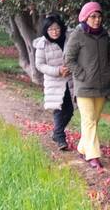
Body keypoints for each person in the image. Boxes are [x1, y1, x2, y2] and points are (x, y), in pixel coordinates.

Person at [64, 2, 110, 171]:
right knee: (89, 120)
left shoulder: (104, 35)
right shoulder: (78, 34)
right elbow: (68, 59)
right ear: (85, 17)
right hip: (84, 86)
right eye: (93, 16)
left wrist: (109, 72)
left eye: (99, 16)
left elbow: (109, 57)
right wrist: (81, 75)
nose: (97, 20)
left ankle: (82, 148)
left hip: (101, 85)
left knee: (94, 120)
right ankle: (93, 156)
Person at [33, 13, 73, 150]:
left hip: (70, 80)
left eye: (56, 28)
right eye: (51, 29)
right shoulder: (42, 44)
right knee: (58, 109)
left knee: (70, 109)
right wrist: (57, 71)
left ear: (61, 28)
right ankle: (60, 138)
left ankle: (56, 133)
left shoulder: (69, 38)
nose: (54, 32)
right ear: (46, 30)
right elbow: (40, 65)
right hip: (54, 82)